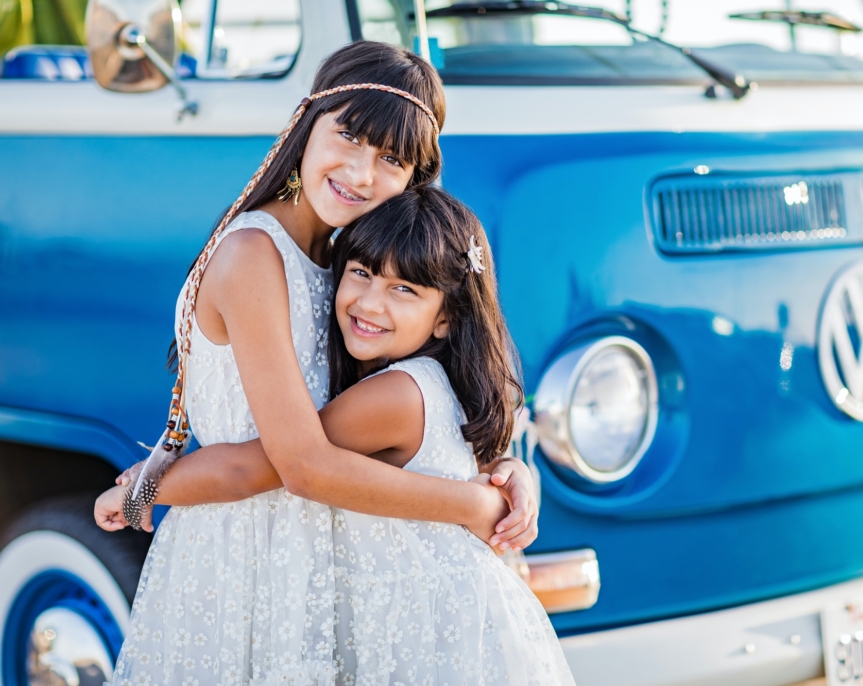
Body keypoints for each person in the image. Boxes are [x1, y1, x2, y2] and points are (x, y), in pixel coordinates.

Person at [95, 41, 539, 685]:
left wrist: (500, 468)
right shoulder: (254, 254)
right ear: (307, 122)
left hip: (327, 562)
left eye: (391, 159)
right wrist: (471, 506)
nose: (361, 173)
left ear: (416, 178)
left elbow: (404, 402)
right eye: (350, 137)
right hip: (245, 557)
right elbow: (298, 463)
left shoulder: (348, 262)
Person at [112, 186, 576, 685]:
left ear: (446, 318)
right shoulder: (446, 382)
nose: (370, 303)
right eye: (361, 273)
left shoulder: (394, 397)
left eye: (404, 290)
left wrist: (138, 492)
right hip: (466, 629)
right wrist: (514, 472)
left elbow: (258, 466)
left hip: (431, 637)